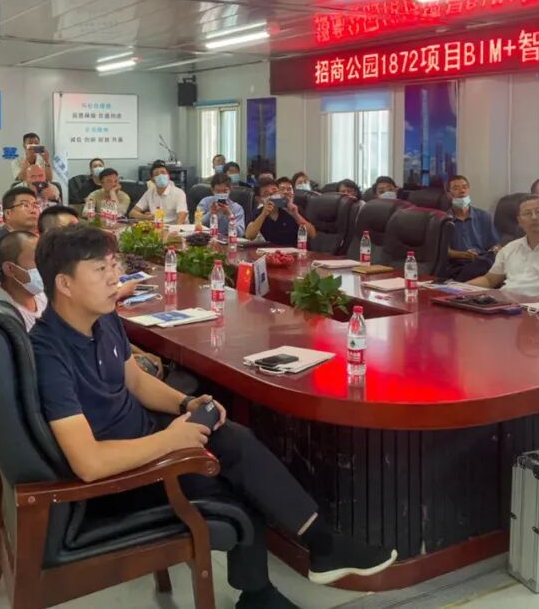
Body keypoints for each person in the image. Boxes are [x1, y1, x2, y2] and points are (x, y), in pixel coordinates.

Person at [30, 226, 397, 608]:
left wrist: (186, 404)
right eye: (100, 270)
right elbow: (89, 463)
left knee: (232, 437)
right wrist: (170, 441)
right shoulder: (48, 354)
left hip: (147, 438)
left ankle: (316, 549)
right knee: (235, 478)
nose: (114, 278)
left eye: (113, 265)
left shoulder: (102, 319)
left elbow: (135, 381)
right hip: (122, 477)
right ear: (64, 284)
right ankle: (270, 586)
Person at [469, 195, 539, 298]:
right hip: (504, 304)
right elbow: (489, 280)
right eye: (527, 213)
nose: (534, 217)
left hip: (537, 308)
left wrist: (526, 305)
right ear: (519, 221)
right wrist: (461, 289)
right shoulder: (510, 248)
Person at [444, 175, 500, 281]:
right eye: (456, 188)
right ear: (449, 195)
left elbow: (495, 244)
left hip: (483, 261)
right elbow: (443, 251)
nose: (462, 191)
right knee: (482, 266)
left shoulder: (484, 216)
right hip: (458, 265)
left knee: (488, 262)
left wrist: (495, 250)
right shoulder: (444, 220)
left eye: (465, 187)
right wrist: (463, 255)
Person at [0, 230, 47, 330]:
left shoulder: (43, 297)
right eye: (37, 259)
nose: (45, 265)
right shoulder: (3, 315)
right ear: (10, 269)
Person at [245, 180, 316, 245]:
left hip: (296, 250)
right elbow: (249, 236)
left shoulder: (293, 209)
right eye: (267, 193)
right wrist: (263, 214)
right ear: (259, 199)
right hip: (273, 251)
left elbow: (312, 234)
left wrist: (296, 215)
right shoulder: (259, 213)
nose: (272, 196)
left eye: (274, 191)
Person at [131, 161, 188, 225]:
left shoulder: (179, 193)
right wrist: (147, 217)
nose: (161, 176)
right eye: (156, 174)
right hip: (157, 227)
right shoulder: (149, 193)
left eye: (163, 173)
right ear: (152, 180)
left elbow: (182, 215)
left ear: (168, 176)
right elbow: (133, 212)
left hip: (173, 226)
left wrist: (176, 229)